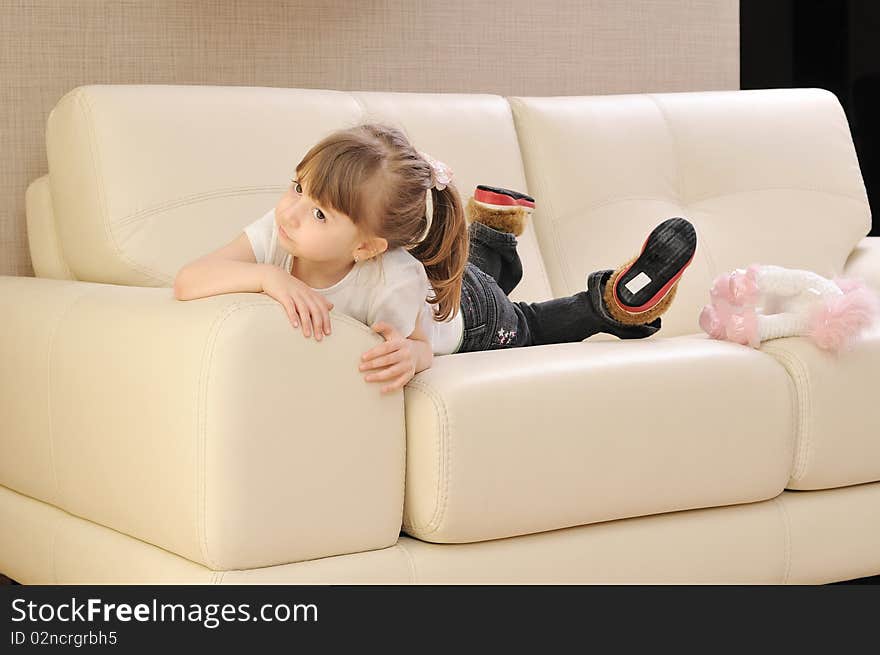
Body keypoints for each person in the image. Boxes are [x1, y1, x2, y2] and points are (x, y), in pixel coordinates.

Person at [174, 123, 697, 394]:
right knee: (460, 270)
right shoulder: (277, 235)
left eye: (318, 214)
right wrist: (268, 278)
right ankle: (493, 232)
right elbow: (189, 280)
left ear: (365, 247)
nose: (291, 212)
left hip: (472, 321)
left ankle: (614, 304)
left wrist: (413, 356)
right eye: (296, 188)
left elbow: (423, 347)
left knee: (528, 323)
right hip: (442, 280)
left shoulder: (394, 276)